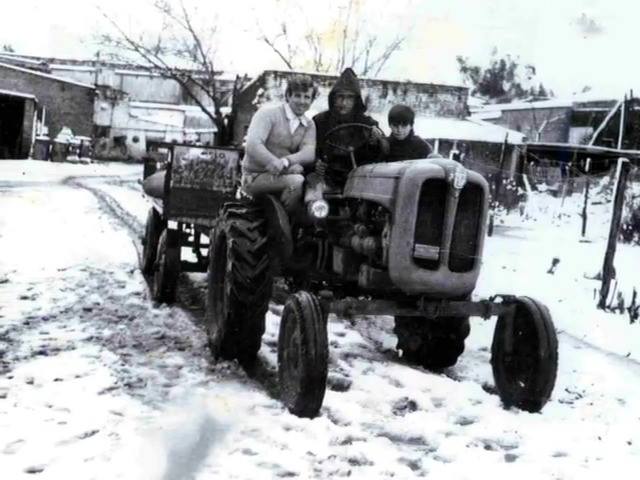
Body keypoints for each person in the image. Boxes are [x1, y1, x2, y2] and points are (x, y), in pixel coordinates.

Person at [239, 74, 318, 212]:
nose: (302, 101)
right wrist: (273, 161)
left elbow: (308, 152)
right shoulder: (268, 114)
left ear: (311, 100)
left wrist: (286, 162)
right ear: (288, 96)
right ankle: (284, 228)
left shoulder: (309, 125)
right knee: (297, 181)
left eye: (307, 97)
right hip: (256, 176)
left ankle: (303, 227)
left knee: (313, 186)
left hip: (283, 176)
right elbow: (253, 145)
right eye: (297, 96)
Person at [312, 68, 388, 189]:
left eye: (349, 98)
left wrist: (376, 139)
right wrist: (316, 163)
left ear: (356, 100)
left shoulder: (368, 123)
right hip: (327, 177)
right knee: (312, 189)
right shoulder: (320, 121)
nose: (344, 102)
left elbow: (382, 151)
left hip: (359, 179)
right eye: (340, 97)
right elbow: (308, 147)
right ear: (333, 98)